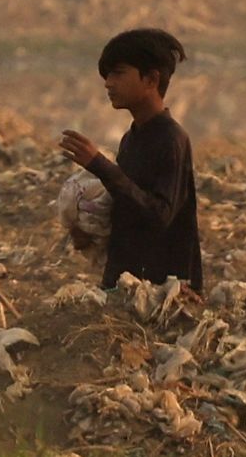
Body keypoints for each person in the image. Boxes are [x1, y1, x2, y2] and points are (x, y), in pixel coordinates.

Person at [56, 26, 202, 293]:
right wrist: (88, 233)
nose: (108, 83)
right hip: (126, 282)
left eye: (118, 73)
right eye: (107, 75)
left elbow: (159, 216)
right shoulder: (131, 138)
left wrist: (100, 165)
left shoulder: (171, 139)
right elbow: (129, 208)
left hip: (161, 291)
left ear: (151, 80)